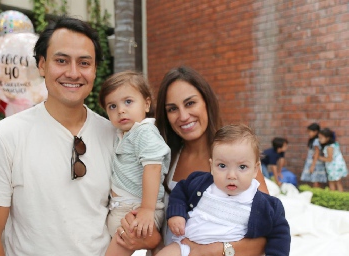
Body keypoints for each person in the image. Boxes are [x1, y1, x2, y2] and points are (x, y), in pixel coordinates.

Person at [0, 16, 116, 255]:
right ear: (41, 65)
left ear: (94, 70)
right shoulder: (4, 136)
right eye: (61, 60)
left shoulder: (114, 135)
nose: (73, 73)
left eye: (84, 63)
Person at [117, 66, 269, 256]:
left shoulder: (237, 161)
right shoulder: (160, 161)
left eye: (190, 103)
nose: (183, 116)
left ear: (206, 102)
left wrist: (207, 251)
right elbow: (158, 232)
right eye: (172, 109)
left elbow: (266, 236)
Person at [157, 124, 290, 256]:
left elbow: (280, 234)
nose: (231, 175)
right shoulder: (201, 183)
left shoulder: (266, 205)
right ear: (211, 166)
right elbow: (181, 191)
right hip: (186, 246)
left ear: (255, 169)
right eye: (222, 165)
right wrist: (176, 213)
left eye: (242, 167)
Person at [99, 71, 171, 256]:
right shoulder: (124, 134)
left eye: (128, 102)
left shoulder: (144, 132)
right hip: (124, 209)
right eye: (112, 106)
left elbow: (153, 167)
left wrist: (147, 209)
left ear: (147, 104)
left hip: (138, 210)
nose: (121, 110)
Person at [300, 123, 327, 188]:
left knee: (316, 180)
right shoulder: (312, 140)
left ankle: (316, 194)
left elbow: (317, 153)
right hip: (312, 161)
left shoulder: (316, 141)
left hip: (316, 163)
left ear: (316, 131)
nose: (309, 133)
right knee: (314, 180)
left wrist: (313, 166)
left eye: (310, 131)